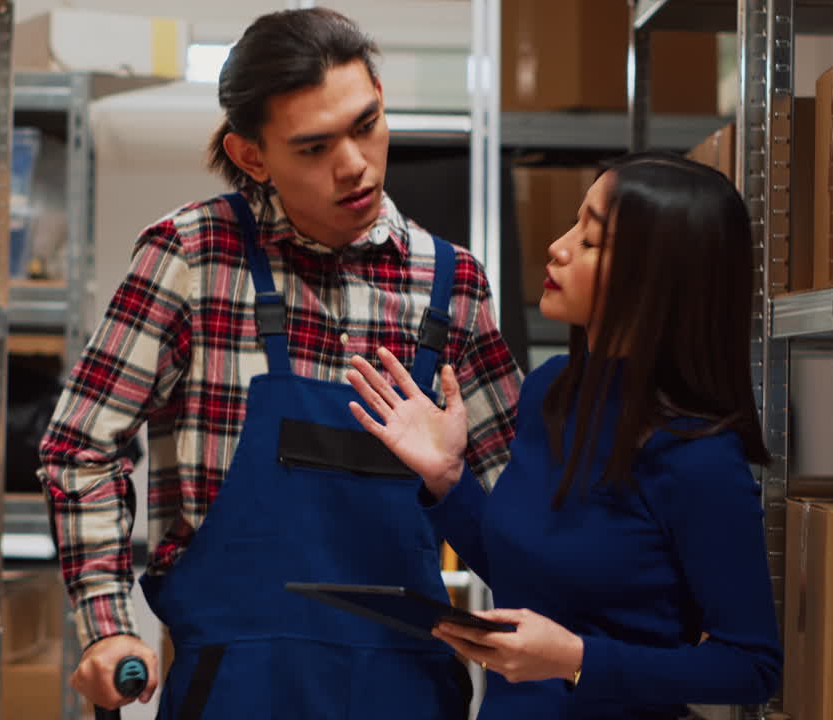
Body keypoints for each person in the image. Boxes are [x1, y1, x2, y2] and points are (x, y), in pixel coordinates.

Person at [36, 7, 522, 717]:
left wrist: (453, 483)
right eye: (314, 146)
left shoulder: (454, 286)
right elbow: (80, 448)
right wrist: (106, 628)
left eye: (366, 124)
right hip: (235, 687)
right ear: (252, 156)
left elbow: (514, 515)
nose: (354, 165)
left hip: (406, 690)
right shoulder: (193, 257)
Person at [346, 153, 783, 719]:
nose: (559, 245)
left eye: (592, 239)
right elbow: (528, 577)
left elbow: (752, 666)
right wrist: (447, 481)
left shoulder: (698, 456)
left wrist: (578, 660)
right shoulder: (550, 391)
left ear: (656, 277)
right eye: (575, 222)